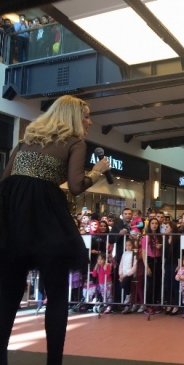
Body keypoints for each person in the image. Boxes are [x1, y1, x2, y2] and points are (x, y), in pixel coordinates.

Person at [0, 95, 110, 365]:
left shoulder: (28, 139)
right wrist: (96, 172)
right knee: (57, 295)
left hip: (12, 221)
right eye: (86, 116)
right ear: (73, 117)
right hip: (47, 221)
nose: (89, 121)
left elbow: (6, 179)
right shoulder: (75, 142)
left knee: (8, 296)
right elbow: (75, 186)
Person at [119, 239, 137, 314]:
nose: (128, 247)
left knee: (124, 284)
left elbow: (134, 266)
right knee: (123, 285)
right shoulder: (124, 254)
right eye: (126, 245)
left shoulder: (134, 254)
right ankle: (128, 299)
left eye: (129, 245)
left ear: (132, 246)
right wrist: (120, 274)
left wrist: (126, 274)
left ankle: (128, 296)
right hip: (123, 274)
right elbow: (121, 264)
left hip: (129, 274)